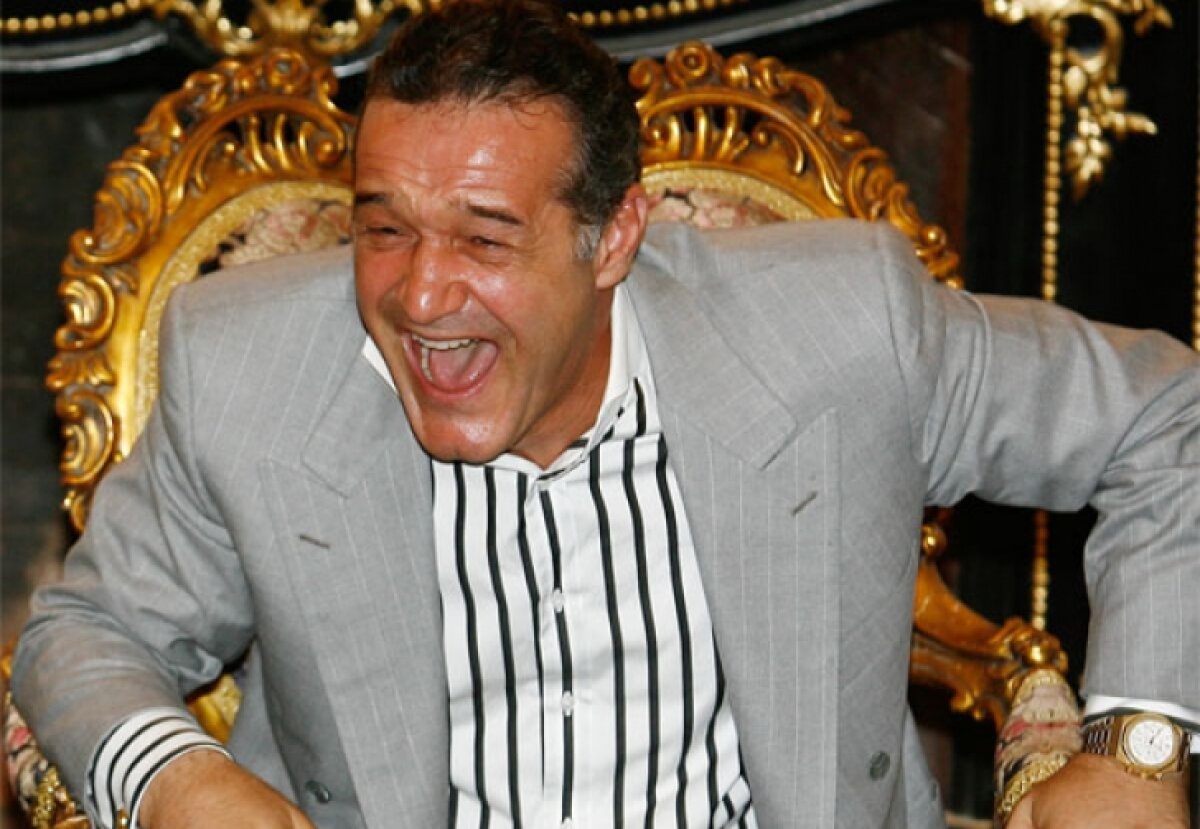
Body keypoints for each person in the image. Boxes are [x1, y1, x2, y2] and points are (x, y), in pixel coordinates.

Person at [11, 0, 1197, 826]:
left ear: (614, 236)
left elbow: (1166, 418)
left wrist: (1140, 748)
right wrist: (174, 779)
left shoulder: (840, 328)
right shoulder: (248, 368)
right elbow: (84, 632)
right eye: (384, 228)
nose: (419, 296)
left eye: (485, 239)